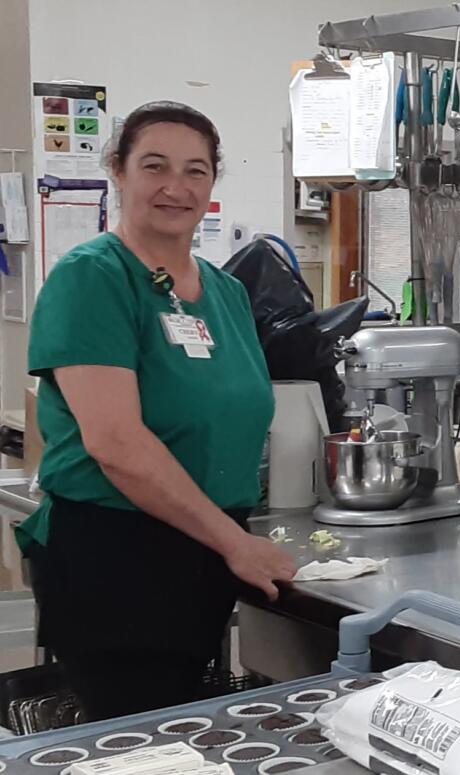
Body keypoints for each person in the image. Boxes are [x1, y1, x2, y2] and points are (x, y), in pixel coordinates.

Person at [19, 101, 297, 720]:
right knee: (139, 744)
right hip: (116, 558)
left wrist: (230, 540)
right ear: (118, 171)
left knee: (184, 733)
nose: (176, 187)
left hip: (201, 555)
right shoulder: (93, 278)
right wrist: (235, 543)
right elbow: (116, 443)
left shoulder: (225, 292)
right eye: (155, 166)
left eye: (196, 170)